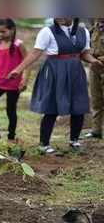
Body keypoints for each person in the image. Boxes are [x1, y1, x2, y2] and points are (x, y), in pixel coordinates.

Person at [8, 18, 104, 154]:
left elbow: (84, 54)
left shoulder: (84, 32)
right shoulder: (47, 31)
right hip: (54, 72)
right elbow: (35, 53)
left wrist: (93, 61)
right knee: (51, 107)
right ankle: (44, 144)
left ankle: (74, 141)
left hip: (76, 71)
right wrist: (18, 69)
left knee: (78, 106)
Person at [0, 18, 29, 143]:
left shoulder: (19, 44)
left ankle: (11, 137)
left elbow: (27, 63)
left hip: (13, 83)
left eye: (3, 31)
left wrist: (24, 80)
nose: (0, 34)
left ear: (12, 30)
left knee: (11, 110)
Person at [83, 18, 104, 139]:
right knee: (96, 100)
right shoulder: (93, 29)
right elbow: (87, 47)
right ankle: (96, 130)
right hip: (94, 67)